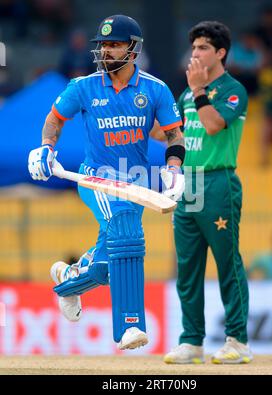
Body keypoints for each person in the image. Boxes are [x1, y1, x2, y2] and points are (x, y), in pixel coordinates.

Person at [28, 15, 184, 351]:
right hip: (96, 179)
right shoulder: (82, 87)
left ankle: (69, 281)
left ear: (133, 49)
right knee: (128, 236)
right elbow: (54, 119)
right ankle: (130, 325)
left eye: (114, 44)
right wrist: (46, 148)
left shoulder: (155, 89)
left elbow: (174, 134)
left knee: (107, 264)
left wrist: (174, 167)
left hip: (136, 184)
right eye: (103, 45)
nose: (106, 51)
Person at [160, 21, 252, 364]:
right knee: (187, 268)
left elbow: (213, 126)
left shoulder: (232, 89)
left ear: (221, 53)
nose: (195, 53)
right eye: (194, 47)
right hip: (188, 183)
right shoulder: (186, 93)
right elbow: (171, 134)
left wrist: (198, 90)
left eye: (202, 48)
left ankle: (238, 341)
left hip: (218, 182)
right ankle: (191, 341)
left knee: (228, 264)